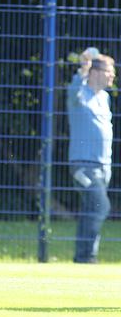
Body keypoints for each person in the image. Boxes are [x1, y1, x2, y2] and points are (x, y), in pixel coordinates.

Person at [67, 50, 115, 264]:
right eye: (109, 72)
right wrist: (83, 67)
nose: (112, 76)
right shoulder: (78, 93)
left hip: (103, 166)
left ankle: (85, 257)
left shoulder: (104, 98)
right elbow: (76, 86)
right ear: (95, 73)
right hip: (82, 167)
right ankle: (87, 256)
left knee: (91, 208)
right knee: (100, 204)